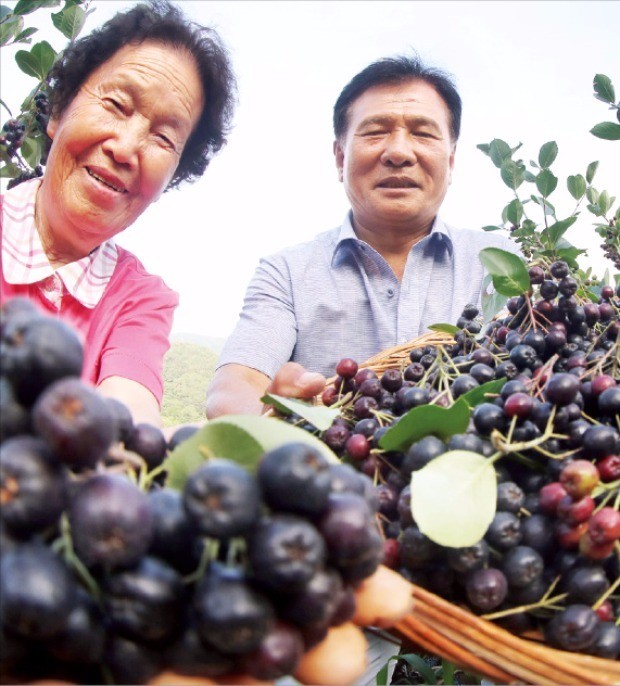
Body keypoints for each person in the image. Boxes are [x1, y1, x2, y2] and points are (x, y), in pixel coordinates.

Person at [206, 54, 520, 419]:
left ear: (450, 163)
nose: (399, 152)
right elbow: (236, 386)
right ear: (340, 158)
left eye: (422, 133)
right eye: (375, 131)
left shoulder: (501, 264)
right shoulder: (287, 273)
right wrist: (262, 417)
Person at [0, 0, 235, 427]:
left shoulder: (141, 298)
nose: (125, 149)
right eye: (116, 104)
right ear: (57, 110)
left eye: (164, 137)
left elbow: (127, 414)